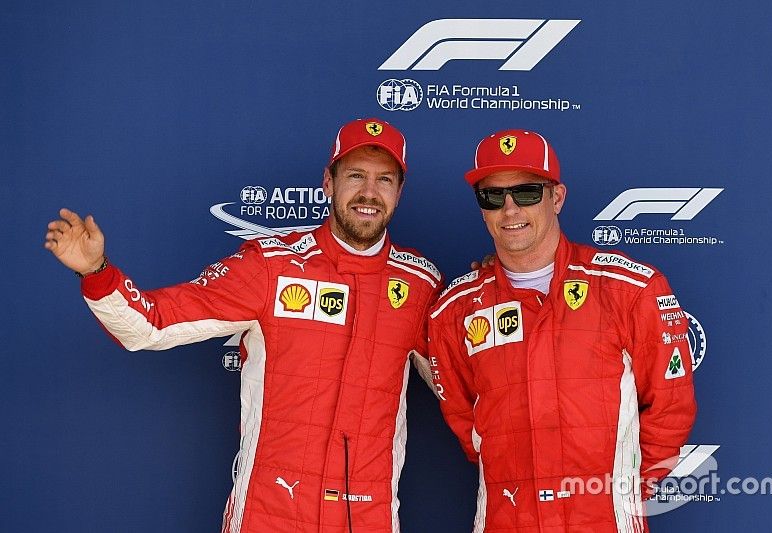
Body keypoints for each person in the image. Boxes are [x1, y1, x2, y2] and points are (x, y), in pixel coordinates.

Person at [44, 118, 443, 533]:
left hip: (367, 518)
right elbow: (150, 324)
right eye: (355, 175)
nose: (369, 193)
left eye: (384, 179)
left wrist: (508, 290)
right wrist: (97, 272)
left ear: (399, 192)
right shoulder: (270, 266)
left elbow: (475, 384)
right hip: (267, 516)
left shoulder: (420, 285)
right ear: (328, 181)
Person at [427, 129, 696, 532]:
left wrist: (621, 492)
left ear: (557, 197)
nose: (510, 209)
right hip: (506, 520)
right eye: (493, 196)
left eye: (528, 193)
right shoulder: (455, 309)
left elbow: (671, 407)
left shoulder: (629, 289)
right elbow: (467, 421)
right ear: (482, 208)